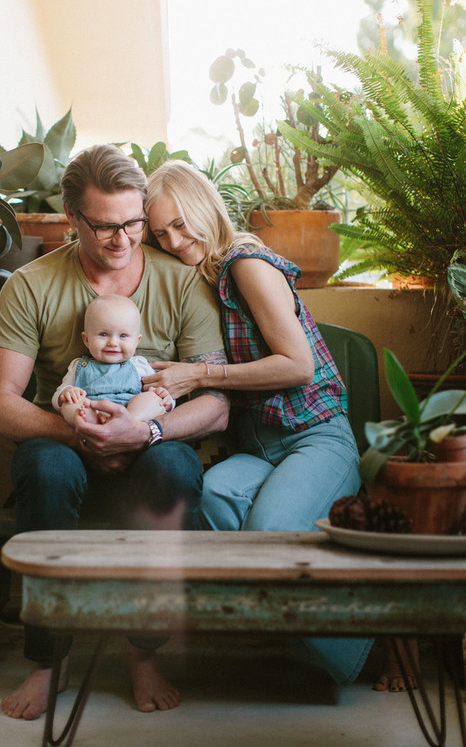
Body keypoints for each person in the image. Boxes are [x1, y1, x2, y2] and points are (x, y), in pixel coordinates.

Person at [0, 145, 229, 720]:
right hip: (63, 448)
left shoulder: (182, 283)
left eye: (134, 222)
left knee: (175, 468)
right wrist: (84, 435)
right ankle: (49, 659)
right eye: (105, 226)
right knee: (45, 467)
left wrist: (144, 435)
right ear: (71, 217)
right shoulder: (33, 285)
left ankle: (143, 653)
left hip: (151, 450)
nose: (123, 239)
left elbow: (217, 406)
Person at [143, 160, 388, 691]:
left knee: (272, 532)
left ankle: (370, 645)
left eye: (183, 223)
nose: (176, 240)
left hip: (315, 436)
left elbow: (297, 365)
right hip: (257, 447)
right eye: (162, 233)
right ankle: (286, 636)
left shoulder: (245, 263)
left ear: (206, 206)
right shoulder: (197, 278)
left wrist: (198, 374)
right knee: (208, 500)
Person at [52, 294, 175, 428]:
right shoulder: (78, 365)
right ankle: (92, 422)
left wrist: (167, 399)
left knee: (153, 398)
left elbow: (162, 395)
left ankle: (128, 423)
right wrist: (67, 393)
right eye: (103, 334)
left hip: (133, 414)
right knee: (70, 403)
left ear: (136, 341)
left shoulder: (139, 365)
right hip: (92, 410)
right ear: (86, 339)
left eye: (123, 336)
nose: (113, 343)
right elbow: (56, 399)